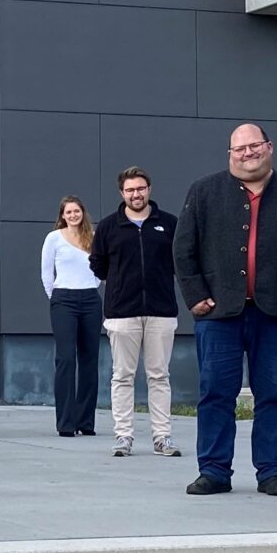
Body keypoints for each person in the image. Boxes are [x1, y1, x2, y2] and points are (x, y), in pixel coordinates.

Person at [174, 124, 277, 498]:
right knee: (215, 394)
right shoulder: (204, 191)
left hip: (273, 313)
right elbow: (183, 249)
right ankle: (213, 470)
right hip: (218, 313)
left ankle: (272, 470)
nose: (247, 153)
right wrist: (195, 296)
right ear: (230, 154)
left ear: (269, 147)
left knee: (273, 394)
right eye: (239, 148)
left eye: (254, 145)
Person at [90, 167, 179, 458]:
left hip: (161, 311)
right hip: (121, 312)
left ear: (149, 189)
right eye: (130, 190)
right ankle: (123, 437)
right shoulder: (107, 227)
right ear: (121, 193)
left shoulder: (169, 224)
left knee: (159, 376)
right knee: (122, 376)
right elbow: (98, 265)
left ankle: (162, 437)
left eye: (140, 188)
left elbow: (178, 262)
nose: (135, 194)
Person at [41, 196, 101, 437]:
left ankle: (85, 421)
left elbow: (100, 269)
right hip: (63, 299)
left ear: (83, 213)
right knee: (65, 359)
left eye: (77, 211)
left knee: (89, 360)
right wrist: (56, 296)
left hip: (90, 299)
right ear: (62, 215)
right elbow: (46, 273)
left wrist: (91, 286)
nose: (73, 215)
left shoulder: (93, 238)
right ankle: (66, 422)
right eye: (69, 212)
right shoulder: (54, 238)